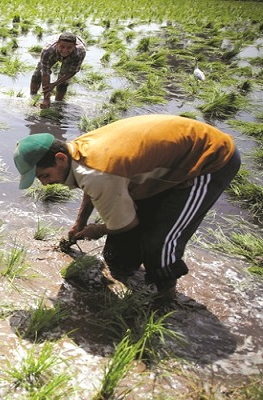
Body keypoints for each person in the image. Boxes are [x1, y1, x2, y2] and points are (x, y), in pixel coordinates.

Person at [13, 114, 241, 302]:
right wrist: (80, 223)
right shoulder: (77, 152)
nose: (44, 183)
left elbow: (125, 222)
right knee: (119, 255)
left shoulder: (96, 173)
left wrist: (98, 229)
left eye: (45, 175)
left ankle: (166, 300)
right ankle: (136, 273)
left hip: (208, 158)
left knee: (160, 242)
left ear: (60, 159)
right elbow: (91, 184)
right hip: (166, 160)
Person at [30, 32, 86, 109]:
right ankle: (32, 96)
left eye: (69, 48)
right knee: (38, 73)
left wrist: (54, 84)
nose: (65, 50)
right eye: (62, 47)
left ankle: (58, 103)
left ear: (74, 46)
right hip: (52, 53)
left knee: (63, 82)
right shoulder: (47, 51)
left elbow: (73, 71)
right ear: (57, 44)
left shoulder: (80, 52)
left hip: (71, 57)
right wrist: (46, 99)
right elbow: (45, 72)